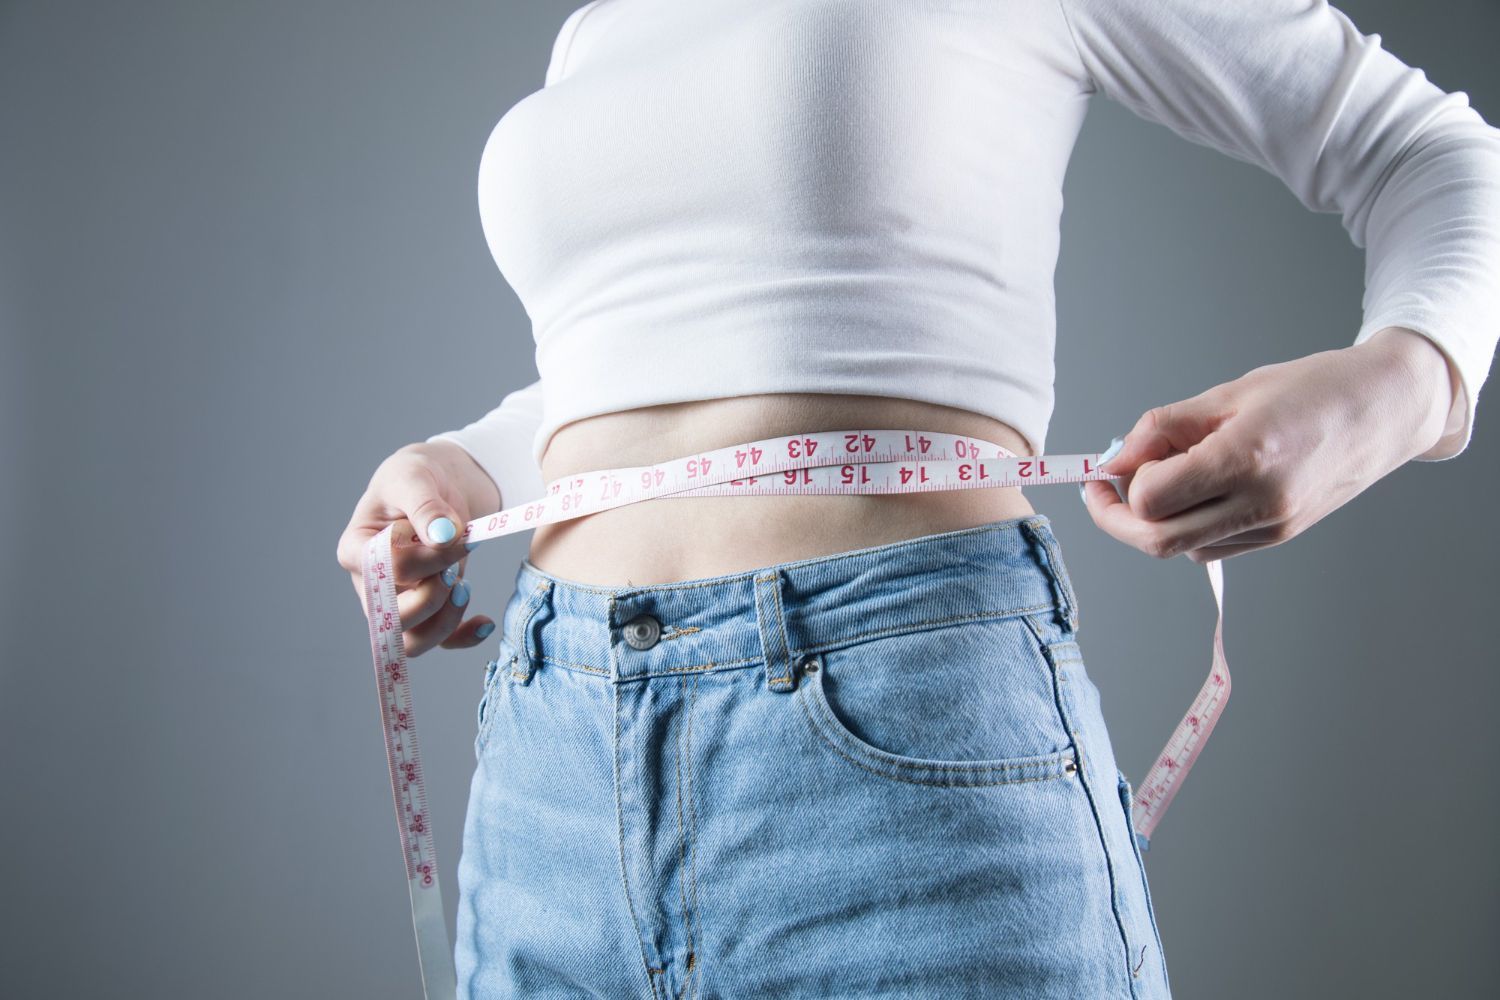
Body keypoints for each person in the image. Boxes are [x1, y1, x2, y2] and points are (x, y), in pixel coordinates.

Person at [336, 1, 1499, 996]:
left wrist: (1395, 393)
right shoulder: (602, 25)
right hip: (551, 772)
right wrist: (471, 466)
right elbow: (659, 358)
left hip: (895, 727)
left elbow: (1430, 149)